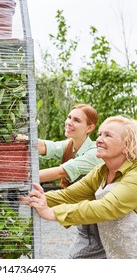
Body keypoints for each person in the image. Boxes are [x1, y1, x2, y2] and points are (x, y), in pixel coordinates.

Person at [22, 115, 137, 258]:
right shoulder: (101, 172)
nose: (99, 140)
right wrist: (26, 198)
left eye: (107, 135)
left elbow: (107, 207)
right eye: (100, 134)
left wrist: (52, 213)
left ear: (127, 145)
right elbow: (68, 196)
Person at [17, 103, 106, 259]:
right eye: (69, 117)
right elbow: (47, 146)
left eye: (77, 120)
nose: (69, 122)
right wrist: (18, 138)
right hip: (87, 219)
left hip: (101, 221)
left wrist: (21, 177)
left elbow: (60, 171)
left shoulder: (94, 153)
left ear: (90, 128)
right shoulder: (70, 146)